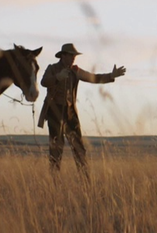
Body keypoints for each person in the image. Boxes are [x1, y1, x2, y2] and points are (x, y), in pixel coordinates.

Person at [37, 43, 126, 177]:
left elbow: (93, 78)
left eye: (74, 56)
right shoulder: (53, 68)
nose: (74, 58)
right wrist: (57, 77)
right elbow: (44, 82)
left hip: (70, 112)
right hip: (54, 111)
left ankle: (85, 181)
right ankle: (54, 184)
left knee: (79, 148)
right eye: (71, 56)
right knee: (56, 148)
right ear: (63, 56)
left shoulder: (76, 70)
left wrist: (111, 75)